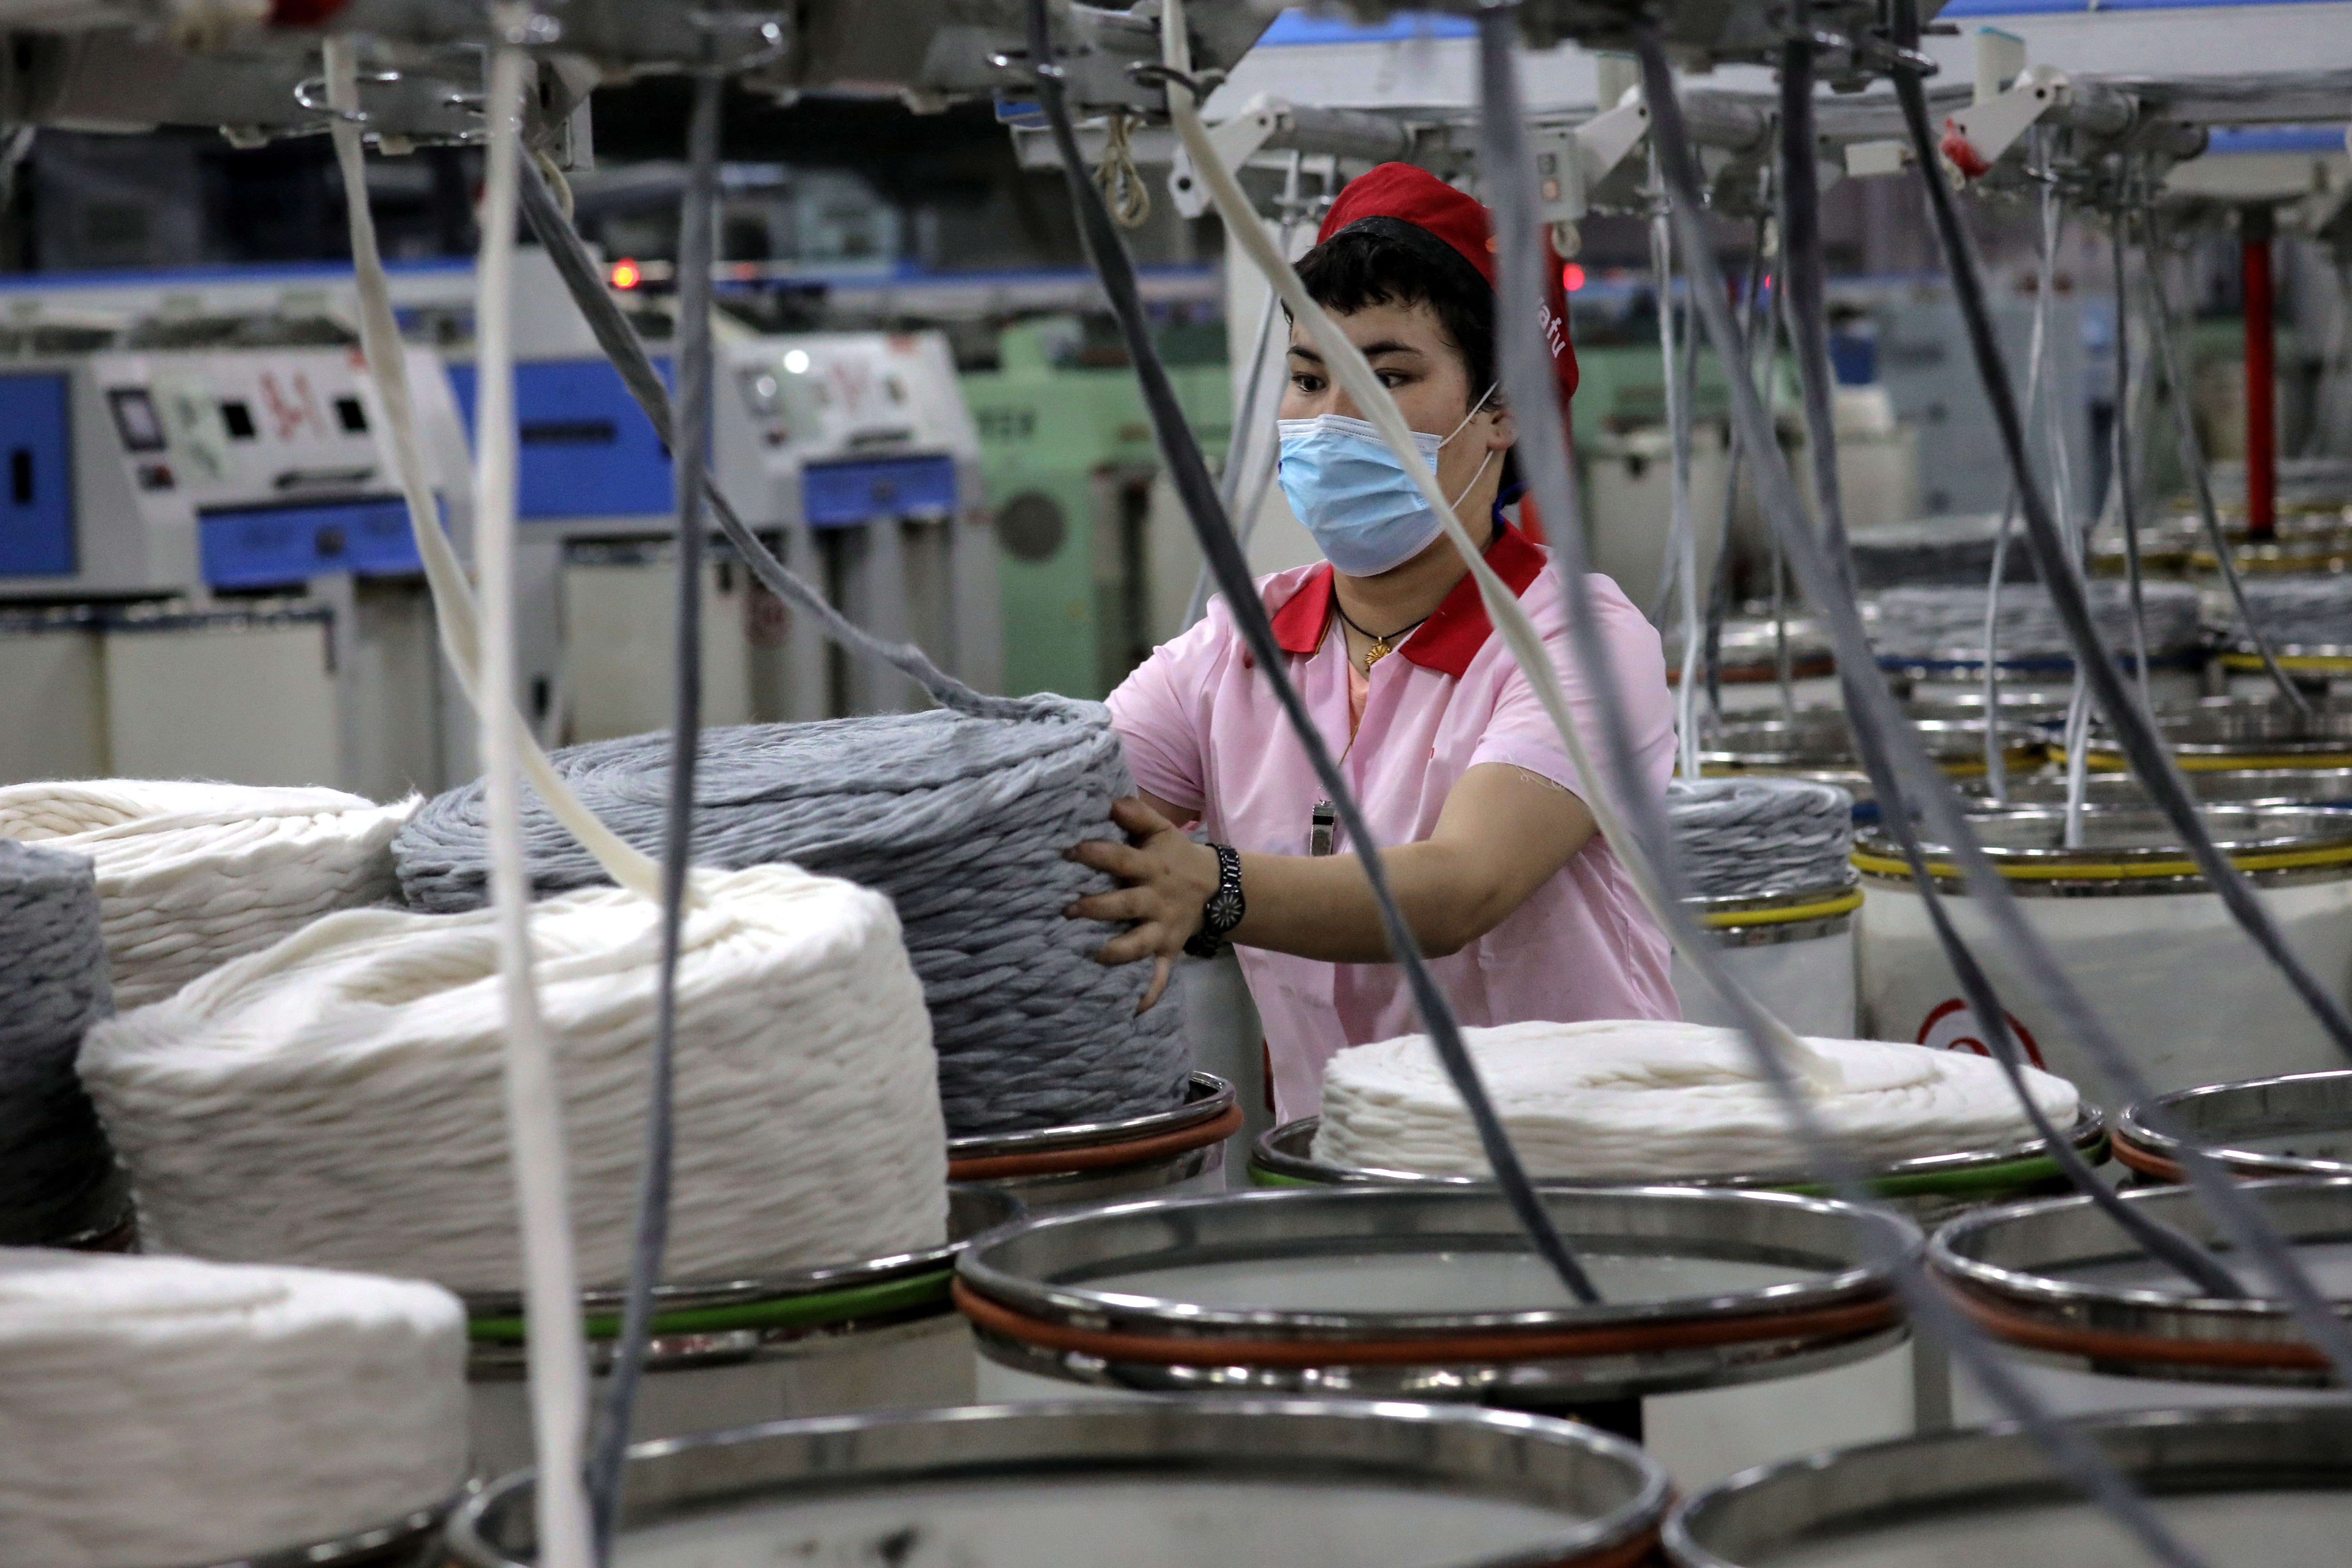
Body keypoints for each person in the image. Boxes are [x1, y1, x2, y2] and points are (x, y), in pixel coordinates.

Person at [1065, 162, 1679, 1122]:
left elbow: (1460, 886)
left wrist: (1215, 885)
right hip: (1350, 1186)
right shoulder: (1238, 648)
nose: (1330, 421)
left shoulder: (1585, 644)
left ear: (1503, 412)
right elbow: (1068, 808)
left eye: (1386, 379)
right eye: (1311, 380)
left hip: (1582, 1183)